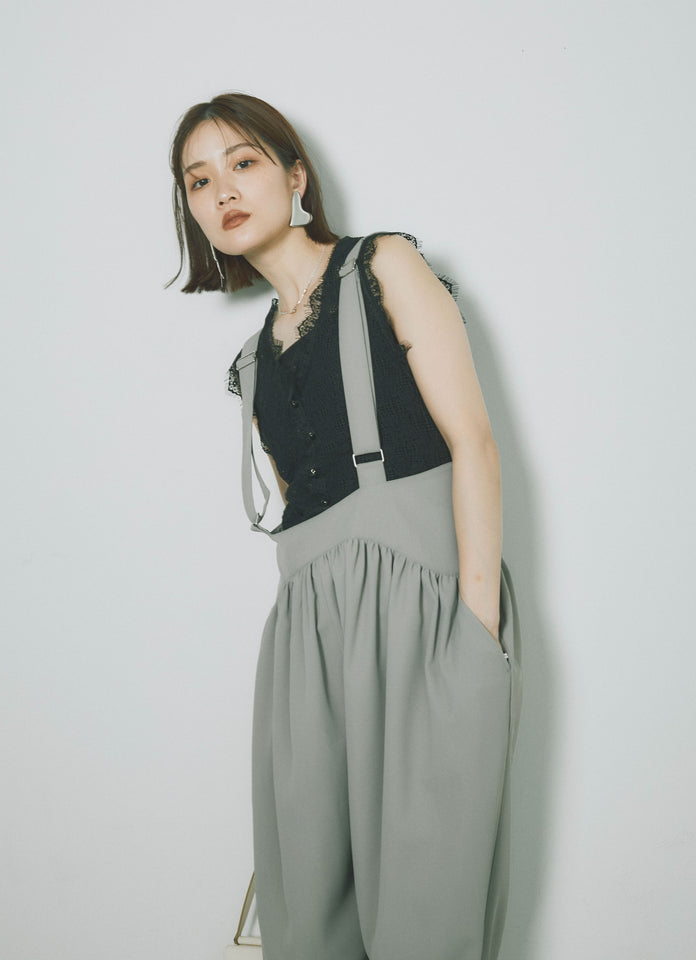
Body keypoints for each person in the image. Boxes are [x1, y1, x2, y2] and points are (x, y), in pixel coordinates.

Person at [168, 92, 523, 960]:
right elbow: (303, 508)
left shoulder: (383, 265)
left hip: (425, 619)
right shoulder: (251, 363)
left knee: (426, 909)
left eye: (243, 163)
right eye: (198, 180)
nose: (223, 191)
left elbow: (473, 445)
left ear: (296, 177)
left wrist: (477, 634)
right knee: (311, 916)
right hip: (309, 644)